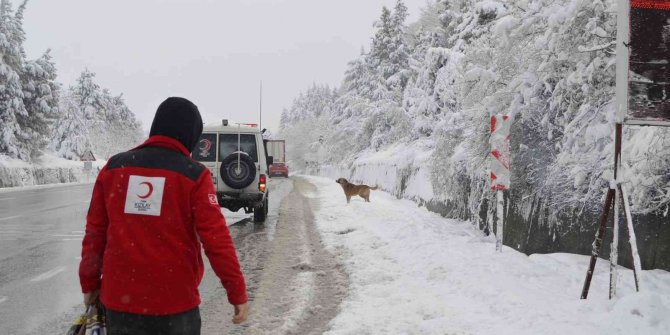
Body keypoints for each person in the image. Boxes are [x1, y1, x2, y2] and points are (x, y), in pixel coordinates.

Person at [79, 97, 248, 334]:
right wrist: (237, 292)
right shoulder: (194, 176)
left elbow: (95, 233)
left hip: (120, 305)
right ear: (191, 135)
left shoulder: (114, 169)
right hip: (176, 306)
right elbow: (217, 240)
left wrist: (90, 283)